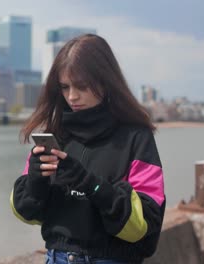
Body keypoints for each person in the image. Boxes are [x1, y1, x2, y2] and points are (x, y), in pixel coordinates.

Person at [10, 34, 165, 264]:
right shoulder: (56, 134)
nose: (72, 96)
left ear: (105, 81)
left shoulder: (136, 137)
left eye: (81, 86)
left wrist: (91, 184)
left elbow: (144, 225)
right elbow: (25, 212)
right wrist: (35, 179)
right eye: (65, 87)